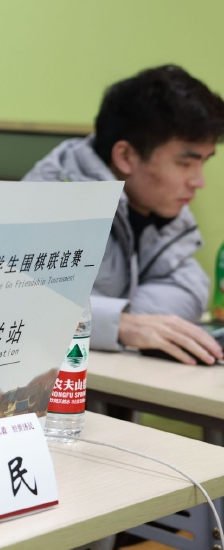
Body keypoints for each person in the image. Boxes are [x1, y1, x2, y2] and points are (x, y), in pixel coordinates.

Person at [24, 65, 224, 365]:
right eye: (186, 164)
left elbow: (190, 288)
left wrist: (119, 320)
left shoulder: (159, 205)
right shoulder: (51, 200)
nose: (199, 182)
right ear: (126, 156)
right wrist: (121, 324)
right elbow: (21, 309)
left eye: (203, 163)